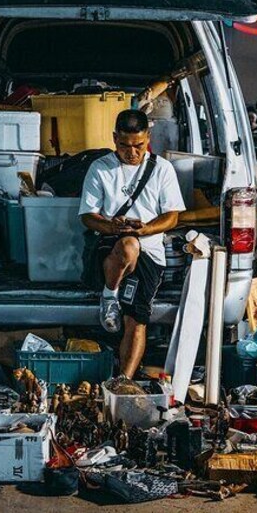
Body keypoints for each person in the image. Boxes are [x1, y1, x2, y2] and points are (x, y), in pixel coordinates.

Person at [79, 109, 185, 379]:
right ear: (115, 138)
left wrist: (147, 228)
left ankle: (123, 381)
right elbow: (88, 217)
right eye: (124, 146)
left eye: (138, 146)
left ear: (148, 138)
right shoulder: (101, 168)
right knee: (127, 245)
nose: (132, 152)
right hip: (111, 247)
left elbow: (172, 216)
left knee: (137, 319)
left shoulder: (162, 169)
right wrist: (110, 226)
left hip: (150, 251)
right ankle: (109, 295)